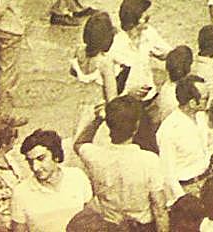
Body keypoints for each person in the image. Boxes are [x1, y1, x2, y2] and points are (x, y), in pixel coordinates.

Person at [71, 96, 169, 232]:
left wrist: (98, 119)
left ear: (109, 125)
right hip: (142, 227)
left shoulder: (95, 156)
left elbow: (79, 143)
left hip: (110, 227)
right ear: (136, 126)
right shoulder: (149, 160)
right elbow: (159, 208)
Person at [10, 129, 91, 232]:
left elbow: (91, 218)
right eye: (30, 161)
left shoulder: (77, 176)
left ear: (56, 155)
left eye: (41, 159)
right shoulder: (21, 192)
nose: (35, 167)